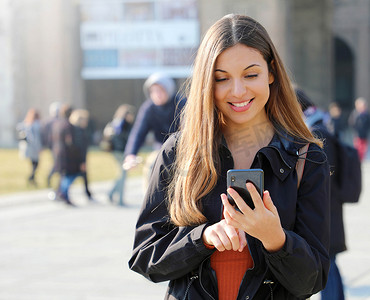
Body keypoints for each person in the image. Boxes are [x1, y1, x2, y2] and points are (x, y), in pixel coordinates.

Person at [128, 14, 331, 300]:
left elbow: (314, 280)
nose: (237, 91)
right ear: (206, 83)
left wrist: (275, 238)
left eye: (251, 75)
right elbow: (146, 257)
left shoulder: (305, 157)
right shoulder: (179, 152)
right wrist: (203, 238)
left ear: (271, 73)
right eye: (221, 78)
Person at [297, 91, 346, 300]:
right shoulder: (319, 125)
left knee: (328, 262)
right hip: (327, 206)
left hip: (326, 207)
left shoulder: (317, 132)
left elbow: (325, 174)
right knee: (331, 262)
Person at [122, 72, 186, 190]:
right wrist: (131, 154)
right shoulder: (148, 108)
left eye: (161, 90)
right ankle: (150, 201)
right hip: (160, 149)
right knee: (151, 166)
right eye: (153, 91)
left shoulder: (182, 103)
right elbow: (138, 133)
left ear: (169, 90)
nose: (157, 95)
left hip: (183, 150)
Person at [106, 104, 135, 206]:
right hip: (120, 152)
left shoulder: (119, 122)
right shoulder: (121, 124)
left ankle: (111, 194)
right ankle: (119, 199)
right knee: (123, 175)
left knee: (122, 175)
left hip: (119, 151)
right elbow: (120, 138)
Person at [69, 109, 94, 201]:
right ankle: (60, 191)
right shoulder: (79, 132)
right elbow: (80, 147)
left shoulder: (77, 130)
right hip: (78, 159)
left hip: (78, 158)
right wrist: (82, 161)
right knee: (71, 176)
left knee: (82, 177)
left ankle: (88, 193)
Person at [17, 108, 42, 187]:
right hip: (34, 148)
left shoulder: (26, 123)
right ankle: (31, 177)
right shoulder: (36, 125)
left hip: (28, 147)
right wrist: (39, 148)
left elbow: (19, 127)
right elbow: (35, 138)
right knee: (36, 163)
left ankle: (32, 178)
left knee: (33, 164)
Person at [41, 101, 61, 187]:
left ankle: (58, 180)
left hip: (55, 145)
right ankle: (50, 177)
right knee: (58, 163)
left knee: (58, 162)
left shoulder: (48, 122)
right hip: (55, 146)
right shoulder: (50, 122)